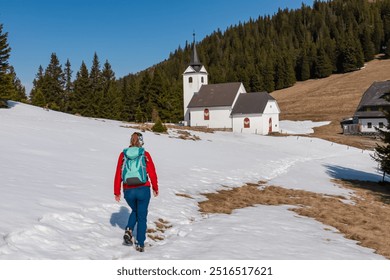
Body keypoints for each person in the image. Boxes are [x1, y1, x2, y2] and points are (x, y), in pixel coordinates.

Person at [114, 132, 159, 252]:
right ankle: (139, 243)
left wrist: (116, 191)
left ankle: (129, 229)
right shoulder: (144, 154)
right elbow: (152, 172)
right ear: (141, 141)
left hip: (128, 190)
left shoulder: (123, 155)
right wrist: (155, 187)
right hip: (143, 189)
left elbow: (118, 173)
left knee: (135, 210)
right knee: (142, 216)